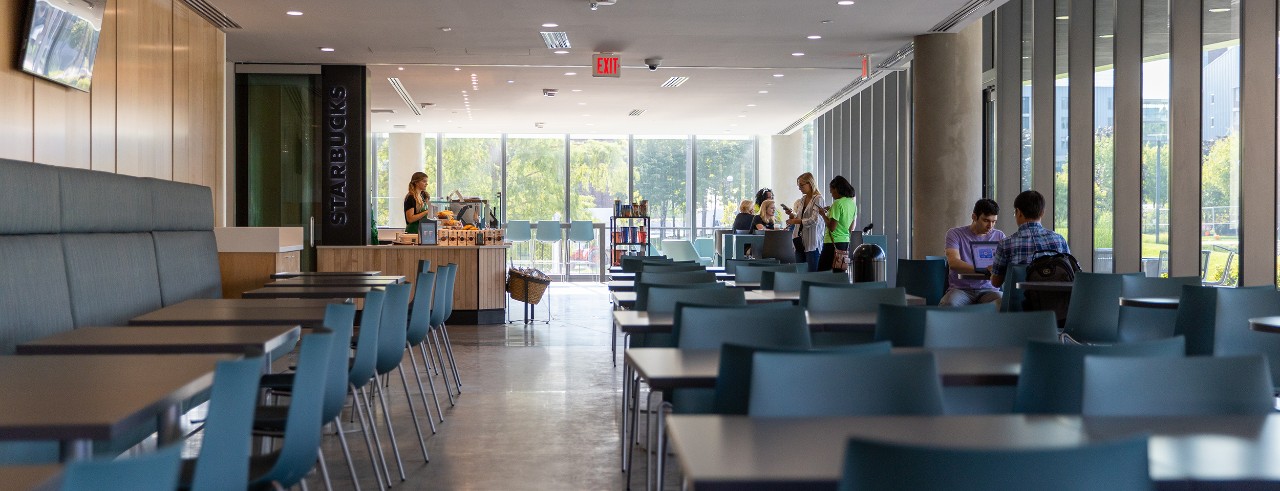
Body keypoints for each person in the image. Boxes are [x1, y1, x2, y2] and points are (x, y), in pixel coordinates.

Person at [990, 190, 1070, 288]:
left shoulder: (1006, 244)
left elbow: (996, 282)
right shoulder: (1059, 240)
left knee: (996, 302)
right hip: (1054, 301)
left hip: (1019, 302)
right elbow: (1070, 271)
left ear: (1018, 212)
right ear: (1042, 213)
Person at [940, 198, 1006, 306]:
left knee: (1003, 303)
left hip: (989, 290)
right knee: (949, 304)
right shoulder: (955, 234)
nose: (990, 226)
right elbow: (954, 262)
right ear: (974, 217)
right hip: (961, 289)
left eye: (994, 222)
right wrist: (983, 270)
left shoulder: (999, 236)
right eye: (986, 220)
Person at [785, 172, 825, 271]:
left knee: (812, 272)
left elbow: (814, 220)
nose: (800, 188)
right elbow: (800, 217)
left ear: (810, 184)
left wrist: (796, 221)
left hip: (812, 240)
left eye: (802, 185)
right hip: (799, 239)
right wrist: (791, 216)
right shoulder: (803, 199)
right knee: (800, 271)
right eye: (799, 186)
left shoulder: (818, 199)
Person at [817, 176, 856, 272]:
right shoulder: (852, 203)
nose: (832, 194)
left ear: (837, 189)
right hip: (845, 243)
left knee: (822, 273)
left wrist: (822, 214)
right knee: (839, 274)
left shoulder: (837, 203)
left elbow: (832, 227)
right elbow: (851, 228)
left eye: (832, 191)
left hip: (832, 243)